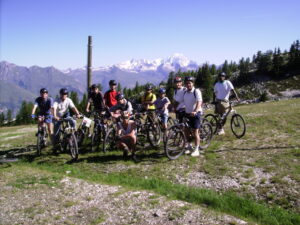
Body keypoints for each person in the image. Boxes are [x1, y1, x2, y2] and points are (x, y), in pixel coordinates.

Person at [183, 76, 203, 157]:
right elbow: (184, 102)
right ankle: (189, 146)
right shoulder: (185, 92)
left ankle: (197, 149)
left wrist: (195, 110)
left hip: (196, 113)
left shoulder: (196, 91)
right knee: (186, 131)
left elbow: (199, 101)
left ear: (193, 83)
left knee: (195, 132)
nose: (188, 85)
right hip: (188, 114)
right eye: (187, 83)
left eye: (190, 83)